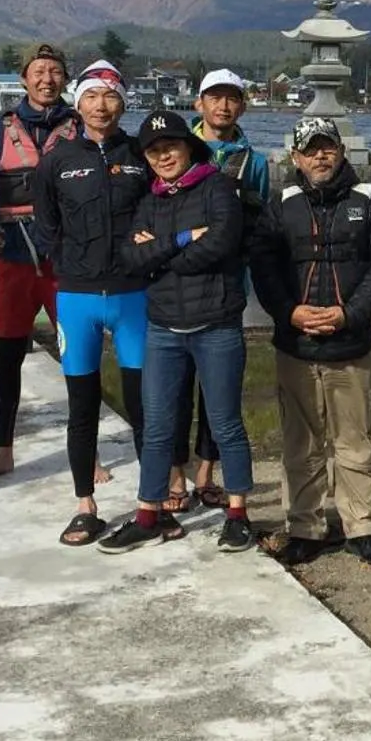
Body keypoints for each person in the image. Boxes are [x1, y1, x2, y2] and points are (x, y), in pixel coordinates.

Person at [97, 110, 259, 553]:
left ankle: (238, 513)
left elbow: (222, 243)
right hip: (163, 327)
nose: (162, 155)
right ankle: (149, 513)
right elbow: (130, 259)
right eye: (153, 151)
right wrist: (184, 239)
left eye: (170, 145)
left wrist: (161, 255)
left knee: (225, 422)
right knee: (157, 427)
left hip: (216, 324)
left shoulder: (217, 187)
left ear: (189, 147)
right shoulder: (148, 201)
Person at [250, 116, 371, 566]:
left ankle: (362, 527)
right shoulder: (279, 204)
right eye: (310, 149)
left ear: (340, 152)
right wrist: (289, 312)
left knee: (356, 440)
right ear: (296, 157)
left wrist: (349, 315)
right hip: (294, 344)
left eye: (327, 147)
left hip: (349, 343)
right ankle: (305, 527)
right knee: (301, 442)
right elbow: (264, 265)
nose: (320, 156)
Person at [0, 42, 81, 483]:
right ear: (23, 78)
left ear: (65, 79)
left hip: (69, 265)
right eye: (38, 71)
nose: (47, 79)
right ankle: (3, 451)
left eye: (55, 71)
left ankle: (87, 449)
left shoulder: (81, 128)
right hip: (17, 263)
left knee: (79, 357)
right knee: (8, 358)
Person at [33, 59, 152, 547]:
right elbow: (45, 223)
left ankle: (153, 500)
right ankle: (85, 504)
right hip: (78, 296)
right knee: (81, 406)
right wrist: (67, 259)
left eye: (111, 97)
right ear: (77, 104)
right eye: (91, 97)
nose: (101, 106)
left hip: (133, 294)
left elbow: (162, 205)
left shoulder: (141, 155)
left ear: (123, 103)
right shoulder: (57, 159)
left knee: (145, 402)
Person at [175, 68, 271, 510]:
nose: (223, 106)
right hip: (177, 283)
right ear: (199, 104)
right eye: (214, 97)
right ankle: (174, 476)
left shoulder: (254, 162)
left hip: (230, 285)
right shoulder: (178, 150)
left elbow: (262, 223)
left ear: (242, 106)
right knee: (174, 386)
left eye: (232, 98)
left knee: (219, 391)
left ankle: (207, 473)